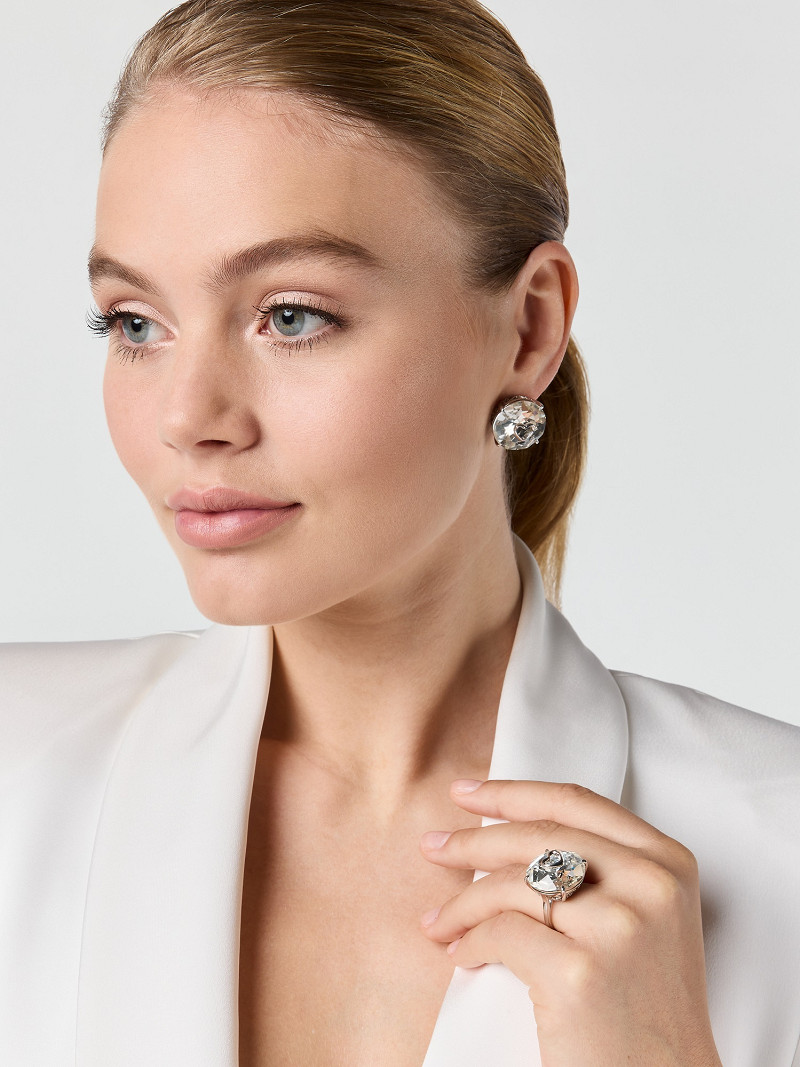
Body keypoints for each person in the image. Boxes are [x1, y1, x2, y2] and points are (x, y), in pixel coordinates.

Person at [1, 1, 798, 1065]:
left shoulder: (777, 848)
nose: (188, 417)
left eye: (291, 315)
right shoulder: (16, 771)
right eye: (135, 324)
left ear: (528, 328)